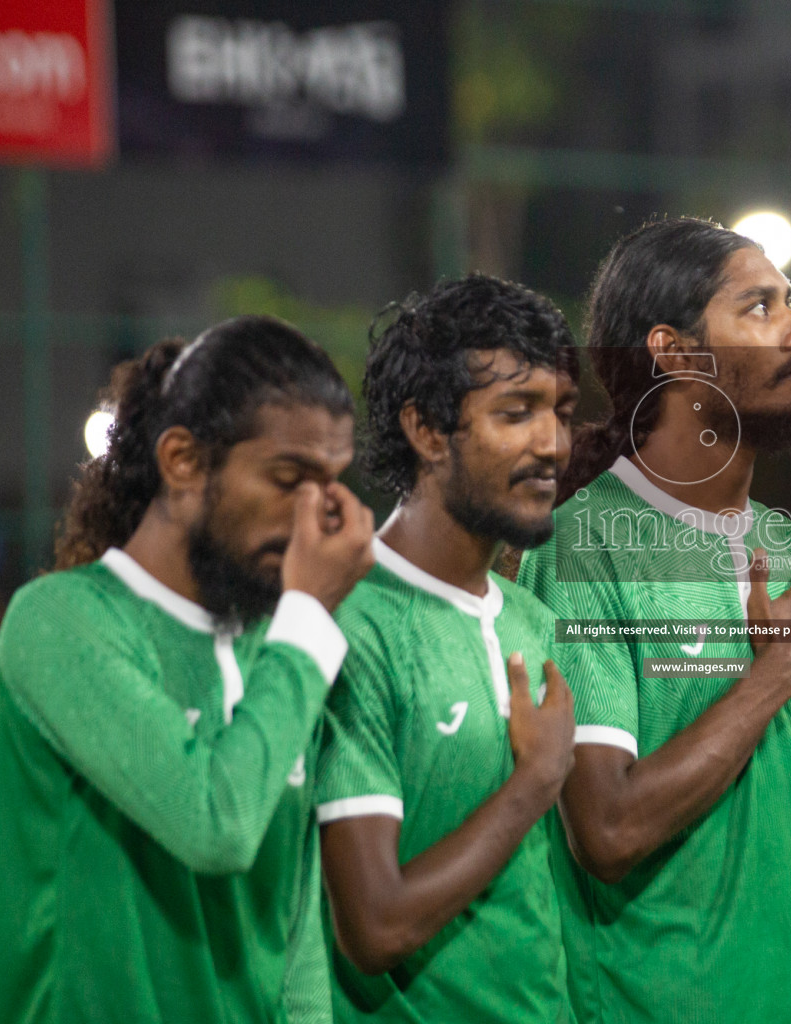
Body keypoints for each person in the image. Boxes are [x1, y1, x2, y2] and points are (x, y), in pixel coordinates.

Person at [516, 216, 791, 1023]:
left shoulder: (778, 540)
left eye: (790, 303)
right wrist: (771, 676)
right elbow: (607, 829)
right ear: (675, 352)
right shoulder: (587, 545)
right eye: (759, 307)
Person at [0, 316, 375, 1023]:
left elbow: (296, 937)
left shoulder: (283, 644)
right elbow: (216, 826)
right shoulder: (61, 624)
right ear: (183, 462)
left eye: (331, 484)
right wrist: (311, 620)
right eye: (288, 478)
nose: (315, 515)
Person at [312, 274, 580, 1022]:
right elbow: (374, 926)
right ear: (427, 432)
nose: (552, 443)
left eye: (560, 411)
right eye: (515, 412)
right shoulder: (348, 626)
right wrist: (534, 782)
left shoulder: (532, 621)